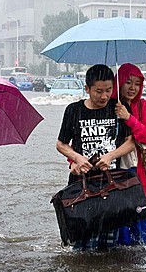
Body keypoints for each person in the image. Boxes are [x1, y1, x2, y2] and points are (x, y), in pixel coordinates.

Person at [56, 64, 135, 250]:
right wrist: (76, 158)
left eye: (108, 90)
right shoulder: (73, 110)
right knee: (81, 244)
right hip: (80, 183)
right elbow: (61, 144)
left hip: (111, 183)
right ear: (87, 89)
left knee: (109, 245)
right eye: (98, 91)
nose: (104, 96)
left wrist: (111, 156)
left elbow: (131, 142)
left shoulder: (118, 109)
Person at [113, 63, 146, 245]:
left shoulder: (143, 106)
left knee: (141, 239)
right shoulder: (109, 106)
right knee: (120, 238)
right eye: (128, 82)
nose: (132, 88)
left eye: (137, 83)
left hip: (141, 180)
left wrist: (128, 118)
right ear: (119, 82)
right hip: (115, 180)